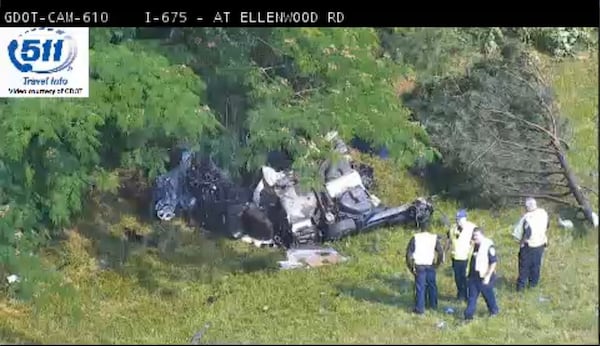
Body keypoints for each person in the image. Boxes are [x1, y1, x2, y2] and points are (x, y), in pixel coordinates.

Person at [512, 197, 549, 291]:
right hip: (541, 243)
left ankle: (520, 287)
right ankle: (533, 285)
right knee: (536, 265)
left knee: (524, 267)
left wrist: (521, 243)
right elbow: (547, 225)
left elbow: (526, 233)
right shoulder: (543, 213)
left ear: (527, 206)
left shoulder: (527, 218)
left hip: (529, 245)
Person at [406, 228, 444, 314]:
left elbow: (409, 253)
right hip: (430, 264)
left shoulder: (415, 237)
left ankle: (420, 308)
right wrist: (437, 264)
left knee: (420, 287)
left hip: (419, 265)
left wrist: (411, 267)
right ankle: (433, 305)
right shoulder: (433, 238)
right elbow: (440, 252)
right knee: (432, 285)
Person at [464, 227, 499, 320]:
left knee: (488, 295)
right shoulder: (472, 245)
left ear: (482, 235)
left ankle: (494, 311)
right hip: (473, 276)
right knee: (472, 297)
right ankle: (468, 316)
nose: (475, 237)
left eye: (477, 235)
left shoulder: (488, 246)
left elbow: (493, 262)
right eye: (474, 235)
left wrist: (487, 276)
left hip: (485, 276)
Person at [446, 209, 477, 302]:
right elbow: (449, 241)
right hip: (456, 257)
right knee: (458, 278)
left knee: (466, 278)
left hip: (467, 257)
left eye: (460, 219)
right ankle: (460, 294)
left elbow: (477, 240)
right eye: (457, 219)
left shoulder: (472, 227)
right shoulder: (453, 228)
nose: (458, 221)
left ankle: (468, 296)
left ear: (465, 219)